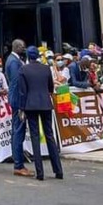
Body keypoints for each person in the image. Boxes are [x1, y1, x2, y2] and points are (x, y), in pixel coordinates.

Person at [18, 46, 63, 182]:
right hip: (45, 104)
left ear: (27, 56)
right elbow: (50, 87)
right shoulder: (45, 68)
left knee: (35, 137)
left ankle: (40, 172)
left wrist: (21, 108)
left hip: (30, 105)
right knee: (50, 135)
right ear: (37, 55)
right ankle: (58, 170)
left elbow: (22, 91)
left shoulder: (23, 69)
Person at [5, 38, 32, 178]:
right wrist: (22, 103)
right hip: (17, 101)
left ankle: (19, 164)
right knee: (18, 132)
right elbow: (17, 83)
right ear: (16, 47)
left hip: (16, 100)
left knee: (17, 131)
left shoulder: (13, 60)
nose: (24, 49)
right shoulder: (14, 62)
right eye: (22, 47)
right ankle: (18, 165)